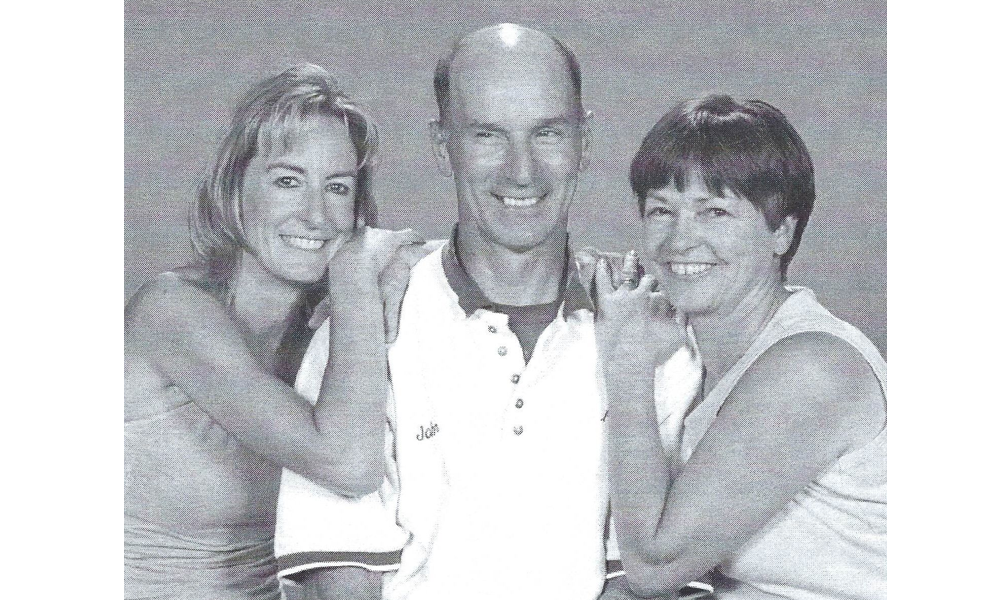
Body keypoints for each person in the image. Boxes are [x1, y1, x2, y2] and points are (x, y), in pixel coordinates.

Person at [272, 24, 702, 600]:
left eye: (547, 133)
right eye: (487, 135)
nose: (521, 170)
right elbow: (337, 579)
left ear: (584, 139)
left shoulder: (649, 329)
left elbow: (651, 579)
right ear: (443, 143)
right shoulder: (368, 326)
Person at [124, 64, 428, 599]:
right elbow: (349, 465)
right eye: (288, 180)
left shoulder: (334, 328)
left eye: (337, 187)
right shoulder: (172, 311)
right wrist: (357, 278)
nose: (316, 215)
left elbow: (489, 276)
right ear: (233, 185)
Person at [595, 95, 886, 599]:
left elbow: (652, 566)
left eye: (714, 212)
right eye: (662, 210)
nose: (680, 240)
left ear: (781, 231)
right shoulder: (695, 356)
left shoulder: (813, 367)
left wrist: (626, 366)